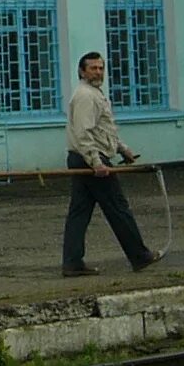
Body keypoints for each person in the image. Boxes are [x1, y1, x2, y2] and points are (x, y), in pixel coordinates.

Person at [61, 50, 163, 277]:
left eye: (100, 68)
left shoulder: (94, 93)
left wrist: (122, 149)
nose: (98, 72)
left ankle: (72, 262)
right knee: (117, 207)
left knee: (79, 211)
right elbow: (84, 134)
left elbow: (103, 131)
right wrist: (97, 162)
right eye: (93, 68)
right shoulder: (86, 96)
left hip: (86, 157)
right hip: (89, 159)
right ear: (82, 71)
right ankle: (139, 256)